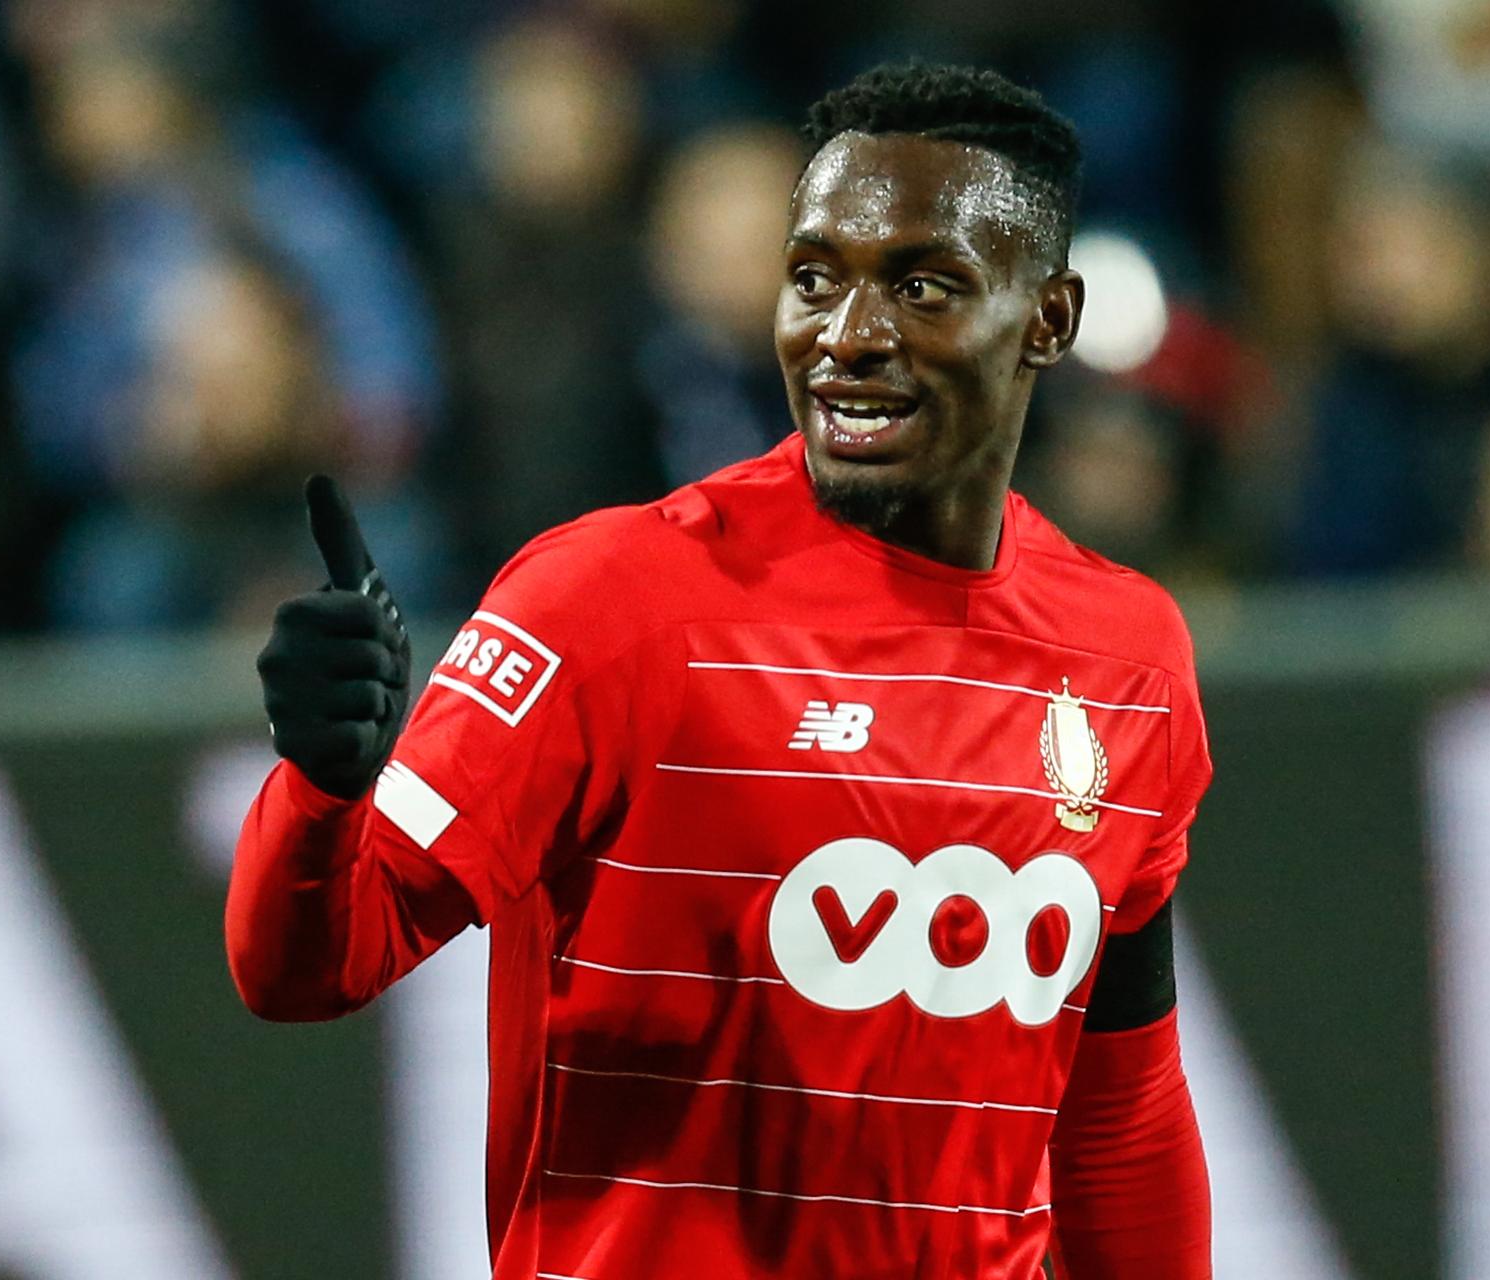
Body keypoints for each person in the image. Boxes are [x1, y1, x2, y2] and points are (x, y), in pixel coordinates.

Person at [228, 63, 1213, 1278]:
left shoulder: (1127, 656)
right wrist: (323, 788)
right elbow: (307, 965)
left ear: (1048, 321)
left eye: (921, 285)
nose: (847, 337)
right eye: (814, 278)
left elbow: (1119, 1111)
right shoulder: (612, 600)